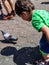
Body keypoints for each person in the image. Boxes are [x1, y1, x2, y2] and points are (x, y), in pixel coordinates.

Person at [15, 0, 49, 65]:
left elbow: (47, 31)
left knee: (43, 46)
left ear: (24, 14)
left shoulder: (35, 20)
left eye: (21, 17)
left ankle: (46, 60)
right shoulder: (40, 11)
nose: (22, 19)